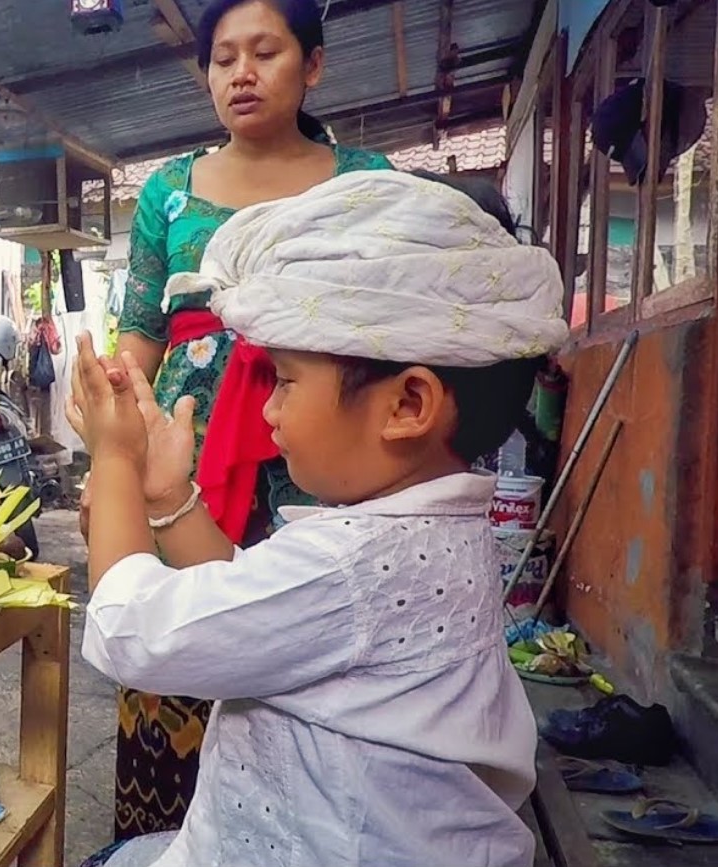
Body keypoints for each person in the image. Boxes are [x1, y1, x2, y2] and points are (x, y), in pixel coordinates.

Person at [70, 168, 567, 866]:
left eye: (284, 378)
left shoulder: (354, 561)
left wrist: (113, 460)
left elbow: (131, 632)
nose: (267, 407)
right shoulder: (426, 534)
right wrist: (166, 496)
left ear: (407, 405)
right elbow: (253, 597)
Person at [101, 0, 392, 842]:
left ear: (314, 65)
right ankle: (165, 836)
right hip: (185, 449)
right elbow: (139, 335)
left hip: (320, 451)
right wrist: (115, 463)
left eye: (264, 51)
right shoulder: (166, 190)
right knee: (177, 631)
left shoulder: (365, 177)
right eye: (222, 57)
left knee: (302, 651)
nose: (241, 72)